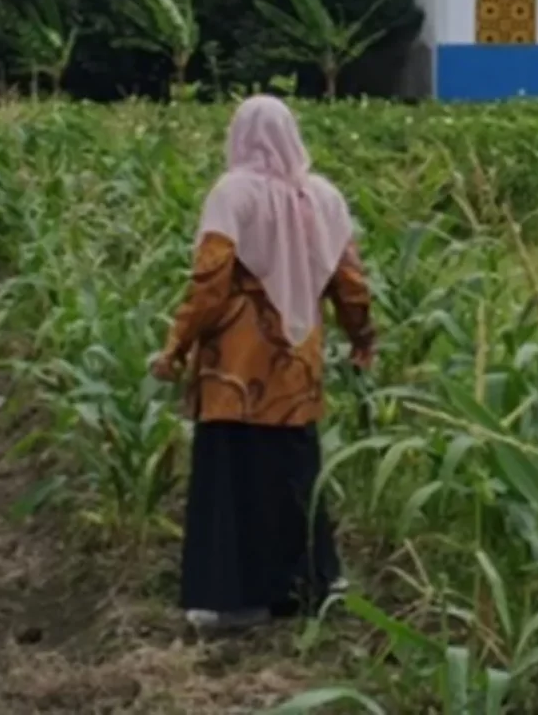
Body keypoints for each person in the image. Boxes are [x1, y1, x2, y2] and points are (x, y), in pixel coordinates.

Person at [152, 95, 376, 634]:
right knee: (295, 472)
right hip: (297, 366)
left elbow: (208, 284)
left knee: (233, 474)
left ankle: (233, 601)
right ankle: (309, 587)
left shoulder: (233, 193)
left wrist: (175, 347)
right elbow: (350, 282)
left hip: (236, 367)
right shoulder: (323, 197)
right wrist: (362, 337)